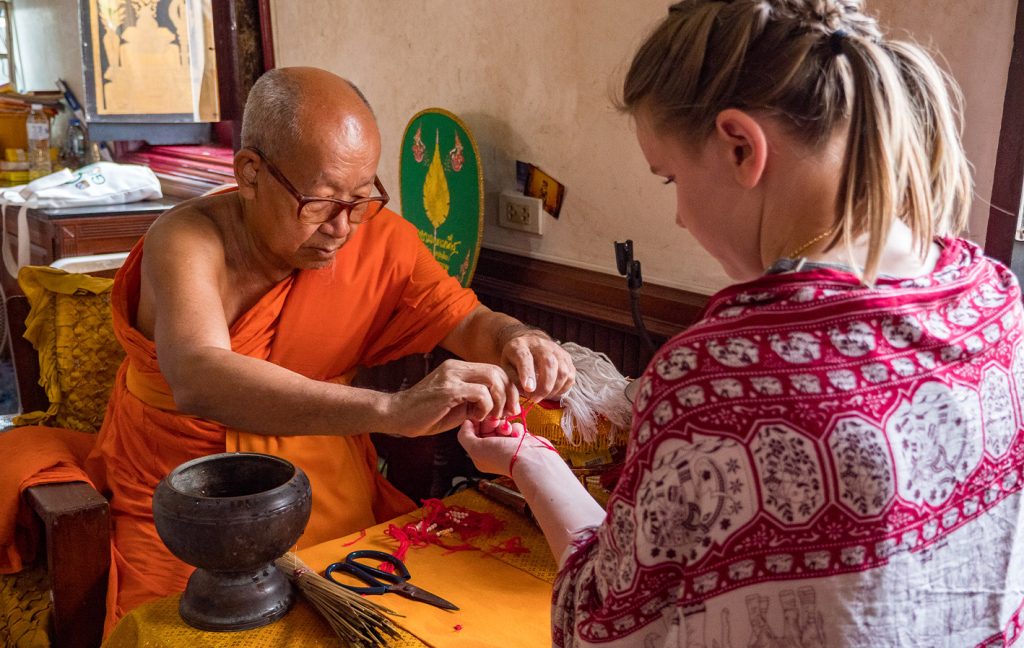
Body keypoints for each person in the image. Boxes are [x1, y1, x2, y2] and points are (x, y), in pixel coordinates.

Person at [460, 1, 1024, 646]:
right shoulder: (992, 300)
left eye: (671, 176)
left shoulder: (720, 378)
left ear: (739, 146)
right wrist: (529, 457)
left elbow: (602, 625)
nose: (678, 216)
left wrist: (532, 466)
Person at [85, 66, 574, 631]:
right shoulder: (188, 239)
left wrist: (519, 337)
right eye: (320, 202)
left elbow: (467, 319)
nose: (343, 228)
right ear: (249, 173)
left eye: (361, 199)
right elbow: (198, 373)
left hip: (324, 487)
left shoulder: (379, 239)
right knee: (181, 631)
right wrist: (392, 411)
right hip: (194, 500)